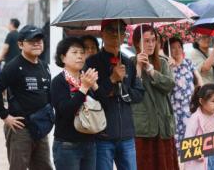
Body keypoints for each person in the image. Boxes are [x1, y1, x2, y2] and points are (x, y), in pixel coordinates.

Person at [0, 25, 52, 170]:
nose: (37, 43)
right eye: (32, 41)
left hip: (40, 128)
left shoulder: (44, 66)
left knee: (44, 166)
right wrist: (5, 116)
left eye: (39, 40)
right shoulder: (14, 66)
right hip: (20, 128)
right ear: (20, 44)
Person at [85, 19, 144, 170]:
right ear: (101, 33)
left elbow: (139, 94)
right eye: (111, 29)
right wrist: (112, 79)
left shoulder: (129, 63)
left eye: (121, 29)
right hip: (102, 134)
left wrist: (121, 88)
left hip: (127, 134)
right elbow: (92, 97)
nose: (116, 33)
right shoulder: (92, 63)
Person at [131, 24, 179, 170]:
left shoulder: (163, 62)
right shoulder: (130, 62)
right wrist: (139, 68)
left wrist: (152, 72)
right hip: (143, 125)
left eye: (153, 40)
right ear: (137, 43)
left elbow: (170, 85)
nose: (151, 44)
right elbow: (131, 92)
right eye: (146, 41)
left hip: (162, 122)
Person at [51, 37, 98, 170]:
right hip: (67, 145)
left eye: (82, 53)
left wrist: (95, 87)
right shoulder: (58, 82)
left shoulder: (87, 78)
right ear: (63, 57)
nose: (80, 56)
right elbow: (65, 111)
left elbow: (102, 106)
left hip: (89, 143)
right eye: (75, 52)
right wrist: (83, 89)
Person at [163, 37, 203, 152]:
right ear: (167, 50)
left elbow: (199, 80)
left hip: (189, 107)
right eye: (173, 48)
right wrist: (169, 68)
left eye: (179, 47)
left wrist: (198, 95)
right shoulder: (166, 65)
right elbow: (166, 87)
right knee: (176, 144)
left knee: (192, 140)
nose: (177, 50)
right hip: (174, 109)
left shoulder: (188, 63)